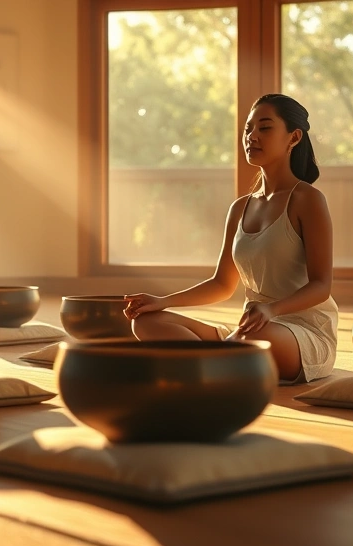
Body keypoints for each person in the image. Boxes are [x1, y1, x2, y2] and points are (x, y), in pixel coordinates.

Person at [124, 93, 338, 383]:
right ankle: (218, 361)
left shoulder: (308, 200)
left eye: (264, 128)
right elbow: (222, 284)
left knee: (256, 334)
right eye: (248, 129)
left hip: (301, 333)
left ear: (294, 138)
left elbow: (321, 286)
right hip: (249, 329)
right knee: (146, 321)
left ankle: (203, 363)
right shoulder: (240, 207)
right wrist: (162, 301)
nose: (252, 136)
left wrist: (271, 309)